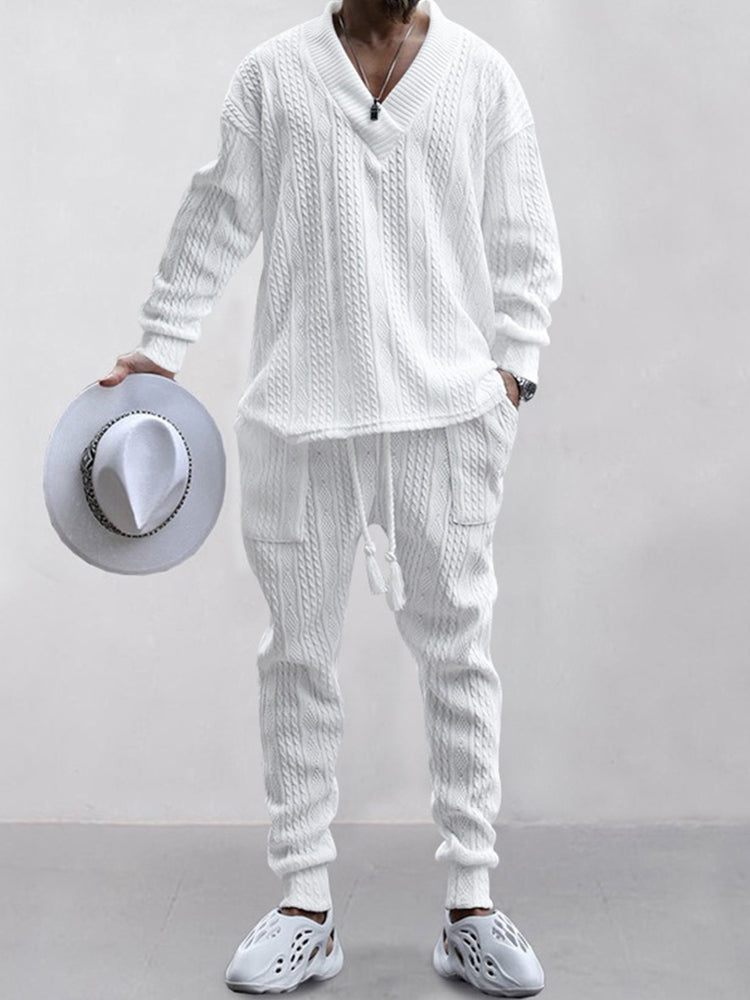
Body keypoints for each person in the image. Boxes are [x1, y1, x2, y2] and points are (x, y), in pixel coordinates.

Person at [100, 0, 562, 993]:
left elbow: (524, 228)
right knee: (297, 660)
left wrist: (514, 370)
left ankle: (472, 903)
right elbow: (219, 211)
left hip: (445, 420)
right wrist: (163, 344)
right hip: (298, 421)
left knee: (459, 655)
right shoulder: (272, 76)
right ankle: (304, 905)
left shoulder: (481, 76)